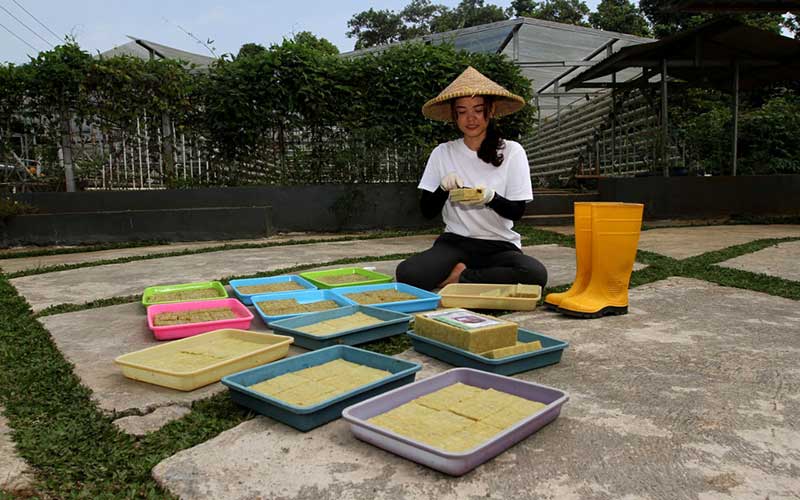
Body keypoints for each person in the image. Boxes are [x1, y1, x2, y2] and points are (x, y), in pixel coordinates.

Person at [396, 66, 547, 291]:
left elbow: (516, 211)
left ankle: (461, 277)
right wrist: (442, 189)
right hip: (455, 242)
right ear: (454, 115)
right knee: (408, 273)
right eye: (462, 111)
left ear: (491, 109)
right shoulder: (442, 153)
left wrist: (490, 197)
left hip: (499, 245)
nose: (471, 118)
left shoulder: (512, 151)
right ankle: (473, 276)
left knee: (535, 274)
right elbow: (426, 211)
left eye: (478, 109)